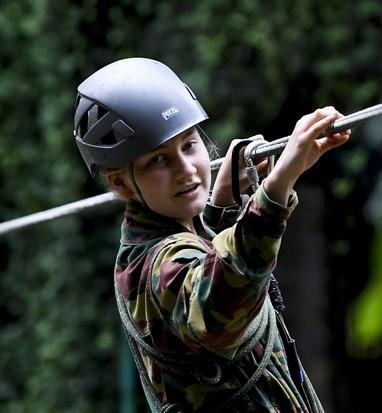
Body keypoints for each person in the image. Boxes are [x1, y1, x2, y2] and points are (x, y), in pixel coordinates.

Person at [73, 57, 350, 412]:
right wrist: (278, 186)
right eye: (158, 160)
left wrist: (221, 207)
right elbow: (217, 304)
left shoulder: (175, 235)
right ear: (120, 183)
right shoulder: (153, 265)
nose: (186, 170)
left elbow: (206, 263)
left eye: (189, 145)